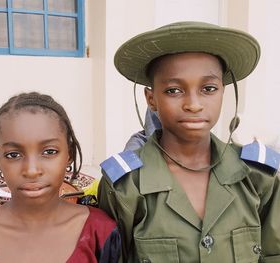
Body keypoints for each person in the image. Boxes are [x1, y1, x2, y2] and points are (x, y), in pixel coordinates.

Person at [98, 21, 280, 262]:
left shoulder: (258, 176)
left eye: (208, 88)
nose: (193, 104)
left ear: (223, 92)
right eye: (174, 90)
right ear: (151, 99)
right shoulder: (125, 187)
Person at [0, 92, 121, 263]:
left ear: (69, 155)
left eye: (49, 151)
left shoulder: (101, 233)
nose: (31, 170)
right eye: (14, 155)